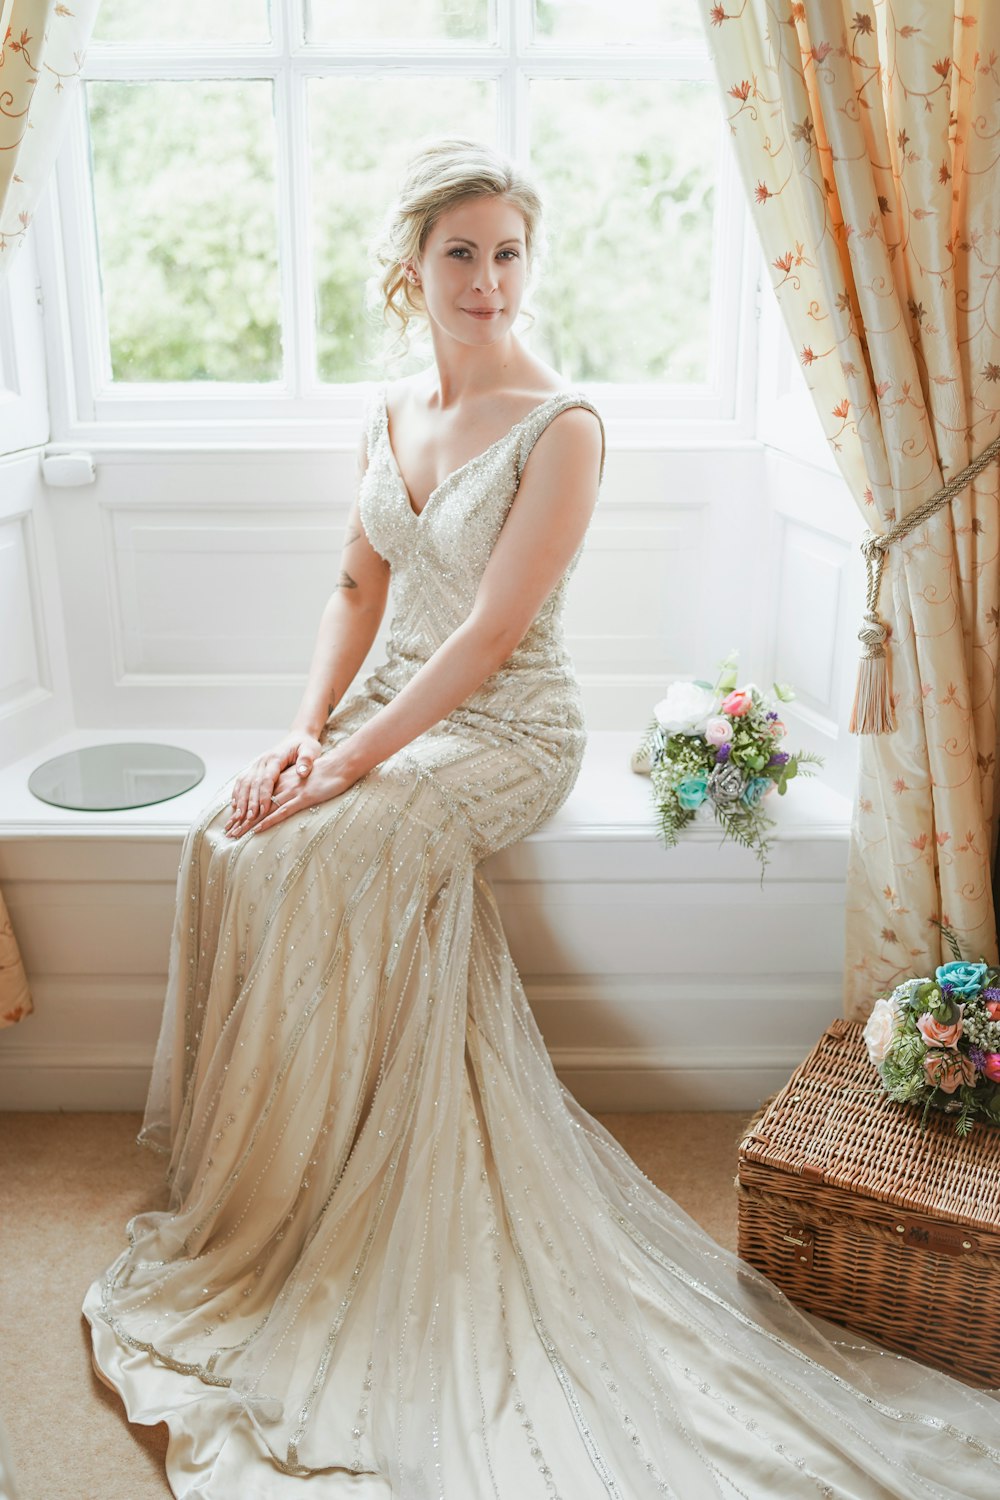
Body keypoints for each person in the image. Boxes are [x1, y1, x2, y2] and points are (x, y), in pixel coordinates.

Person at [85, 138, 999, 1499]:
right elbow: (355, 590)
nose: (490, 279)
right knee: (225, 836)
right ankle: (284, 1150)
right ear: (411, 266)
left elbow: (495, 632)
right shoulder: (390, 410)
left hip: (508, 726)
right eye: (461, 251)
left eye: (509, 251)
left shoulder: (561, 425)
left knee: (341, 842)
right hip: (390, 700)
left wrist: (350, 771)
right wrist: (299, 735)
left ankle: (351, 1171)